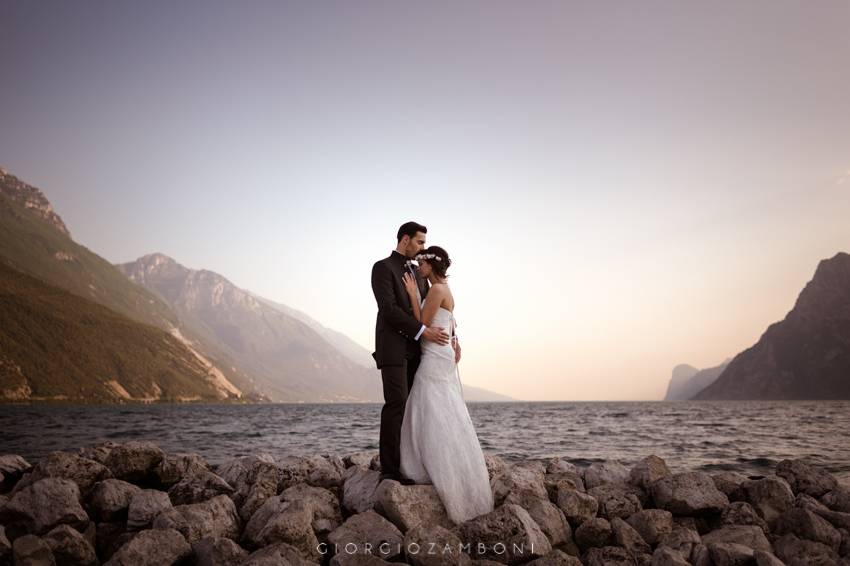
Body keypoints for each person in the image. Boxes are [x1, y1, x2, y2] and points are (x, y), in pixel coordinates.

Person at [399, 245, 494, 523]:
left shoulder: (438, 290)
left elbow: (421, 323)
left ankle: (425, 465)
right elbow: (447, 321)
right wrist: (455, 340)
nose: (418, 267)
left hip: (434, 355)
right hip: (442, 353)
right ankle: (436, 462)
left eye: (422, 263)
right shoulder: (444, 291)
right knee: (439, 406)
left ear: (432, 265)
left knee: (426, 404)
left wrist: (411, 294)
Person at [371, 222, 455, 484]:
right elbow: (389, 310)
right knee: (396, 405)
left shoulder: (420, 274)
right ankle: (390, 471)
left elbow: (439, 310)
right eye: (419, 242)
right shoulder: (382, 268)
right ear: (405, 239)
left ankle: (413, 465)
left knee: (414, 410)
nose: (422, 248)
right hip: (394, 348)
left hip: (419, 352)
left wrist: (455, 337)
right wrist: (422, 331)